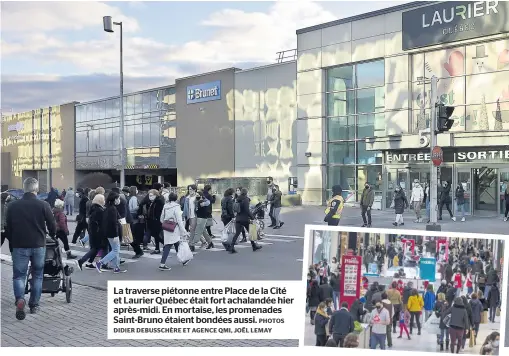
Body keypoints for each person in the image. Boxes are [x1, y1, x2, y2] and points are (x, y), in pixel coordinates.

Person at [5, 178, 56, 320]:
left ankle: (20, 299)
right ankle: (34, 304)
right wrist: (52, 234)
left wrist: (12, 240)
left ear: (24, 189)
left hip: (19, 245)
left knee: (19, 275)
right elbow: (52, 225)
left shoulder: (13, 206)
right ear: (36, 189)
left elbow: (7, 227)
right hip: (39, 245)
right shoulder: (43, 205)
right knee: (38, 275)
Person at [94, 191, 126, 274]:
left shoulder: (108, 207)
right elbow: (113, 223)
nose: (119, 200)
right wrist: (116, 235)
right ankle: (100, 263)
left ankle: (116, 268)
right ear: (115, 199)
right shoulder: (112, 209)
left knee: (115, 250)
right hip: (112, 233)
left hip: (108, 232)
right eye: (118, 198)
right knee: (115, 250)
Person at [159, 192, 191, 270]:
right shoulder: (177, 207)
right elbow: (179, 220)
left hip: (167, 227)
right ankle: (162, 264)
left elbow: (161, 218)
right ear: (176, 199)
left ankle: (183, 260)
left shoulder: (165, 206)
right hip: (174, 228)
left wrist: (165, 222)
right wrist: (184, 231)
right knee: (169, 245)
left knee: (176, 243)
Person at [77, 194, 106, 270]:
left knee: (95, 248)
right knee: (95, 248)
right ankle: (81, 261)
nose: (104, 201)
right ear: (100, 201)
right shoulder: (100, 210)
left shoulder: (94, 208)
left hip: (92, 232)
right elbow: (101, 223)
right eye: (103, 200)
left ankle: (89, 262)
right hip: (97, 232)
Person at [229, 188, 261, 254]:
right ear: (246, 193)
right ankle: (254, 246)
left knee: (237, 233)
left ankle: (231, 247)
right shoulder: (245, 199)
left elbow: (235, 209)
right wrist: (252, 217)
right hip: (245, 219)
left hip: (238, 218)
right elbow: (247, 210)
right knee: (251, 232)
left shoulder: (237, 199)